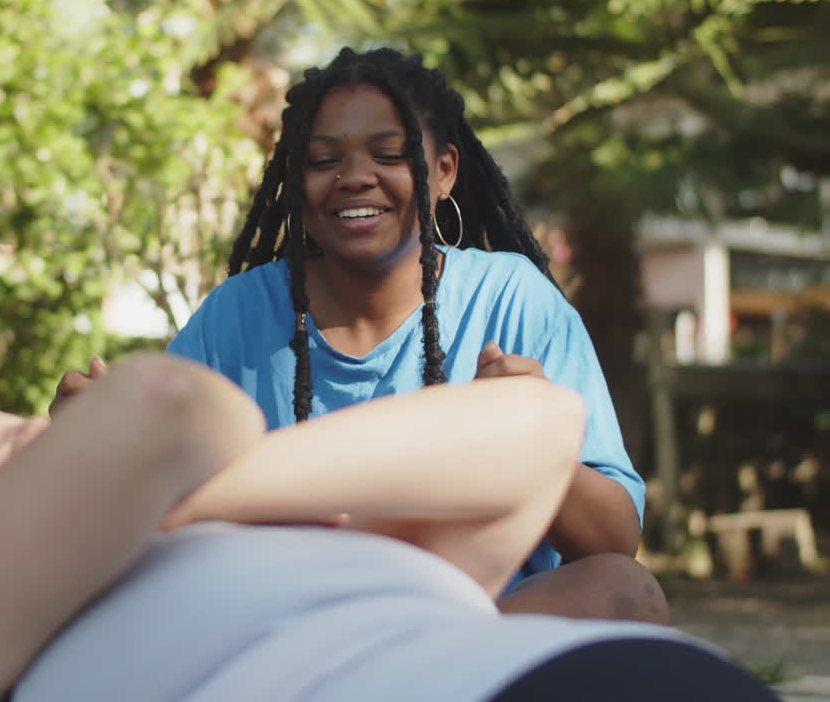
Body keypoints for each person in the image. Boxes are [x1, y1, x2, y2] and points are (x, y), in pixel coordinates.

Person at [0, 353, 771, 701]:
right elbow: (174, 407)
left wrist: (172, 498)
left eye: (26, 421)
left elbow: (536, 425)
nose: (35, 435)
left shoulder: (235, 532)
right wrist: (134, 470)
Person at [55, 47, 664, 623]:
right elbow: (153, 517)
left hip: (471, 626)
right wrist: (91, 442)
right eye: (323, 161)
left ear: (444, 170)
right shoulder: (234, 316)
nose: (354, 177)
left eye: (389, 154)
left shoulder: (513, 299)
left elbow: (613, 542)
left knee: (625, 591)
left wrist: (533, 437)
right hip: (284, 620)